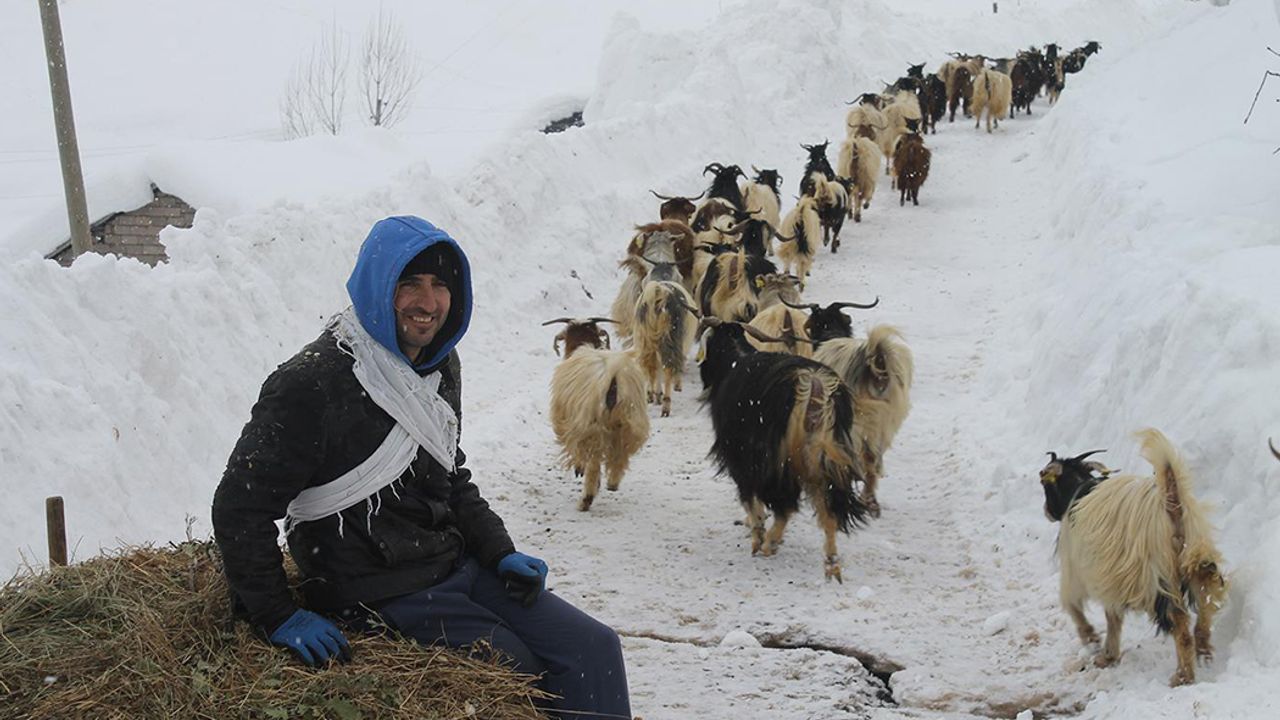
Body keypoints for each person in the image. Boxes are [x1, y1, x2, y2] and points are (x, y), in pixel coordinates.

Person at [212, 215, 631, 720]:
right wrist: (277, 615)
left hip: (451, 565)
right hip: (371, 588)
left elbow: (449, 475)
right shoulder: (310, 384)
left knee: (593, 649)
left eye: (440, 285)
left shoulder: (439, 366)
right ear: (376, 286)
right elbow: (239, 507)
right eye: (408, 283)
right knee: (516, 671)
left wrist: (499, 551)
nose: (427, 303)